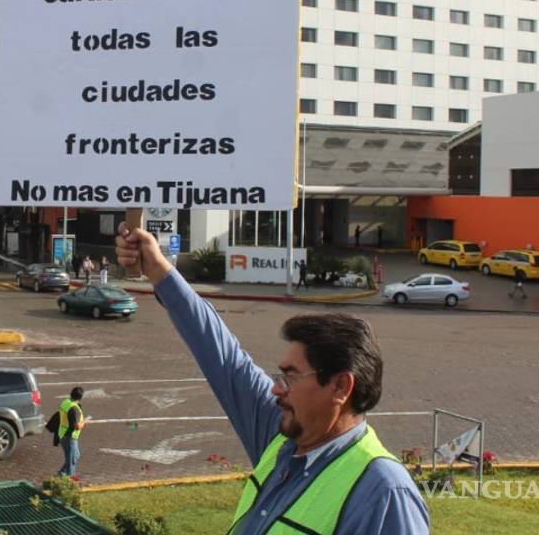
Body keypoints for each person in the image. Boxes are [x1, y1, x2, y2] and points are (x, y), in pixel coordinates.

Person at [115, 223, 429, 535]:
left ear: (340, 387)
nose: (276, 388)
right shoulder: (280, 437)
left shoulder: (384, 492)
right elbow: (221, 354)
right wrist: (158, 270)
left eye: (291, 377)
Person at [57, 386, 85, 479]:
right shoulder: (74, 408)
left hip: (62, 433)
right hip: (69, 437)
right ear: (80, 398)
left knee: (75, 455)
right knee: (71, 460)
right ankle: (70, 479)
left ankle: (61, 473)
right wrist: (84, 422)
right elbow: (76, 426)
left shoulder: (65, 402)